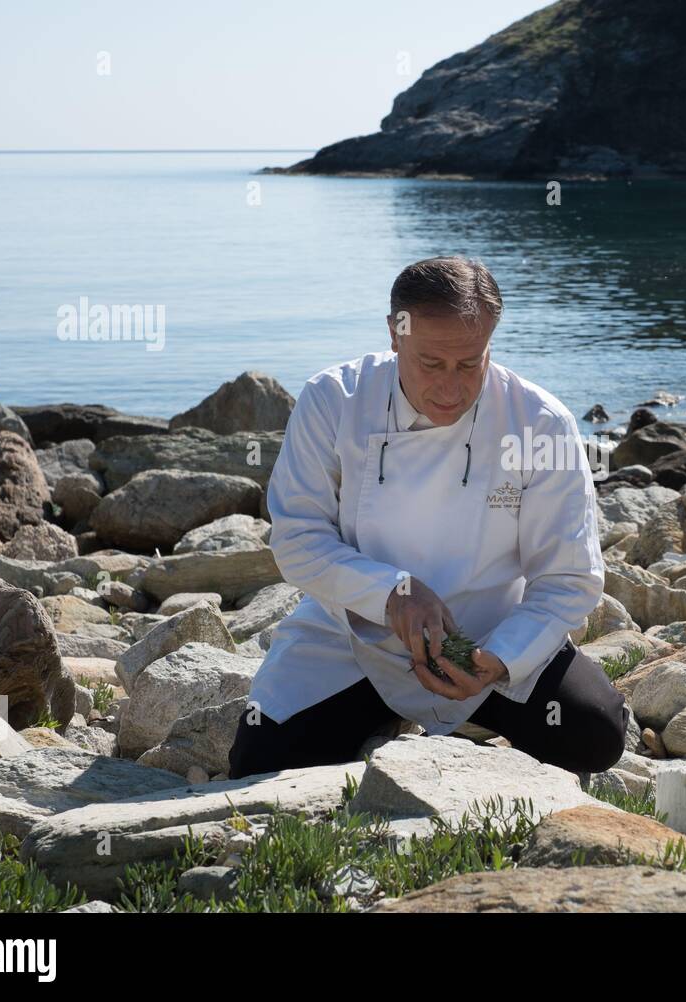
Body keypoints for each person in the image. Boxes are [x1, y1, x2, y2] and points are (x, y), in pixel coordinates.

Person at [227, 256, 628, 778]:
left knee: (595, 733)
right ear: (395, 336)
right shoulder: (333, 400)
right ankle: (381, 714)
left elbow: (568, 576)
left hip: (485, 637)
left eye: (469, 364)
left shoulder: (541, 424)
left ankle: (457, 710)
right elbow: (299, 539)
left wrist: (502, 659)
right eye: (431, 364)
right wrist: (391, 593)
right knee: (258, 760)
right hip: (353, 641)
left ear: (491, 342)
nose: (450, 388)